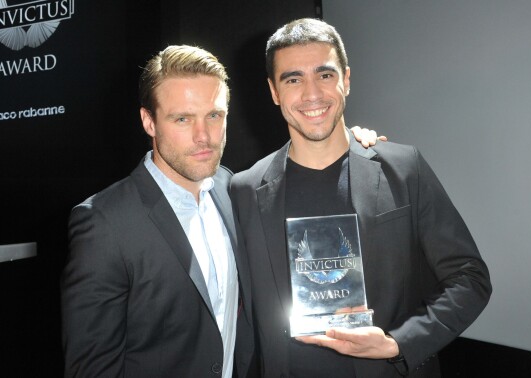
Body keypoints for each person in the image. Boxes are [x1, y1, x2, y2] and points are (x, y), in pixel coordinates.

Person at [60, 44, 381, 377]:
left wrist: (353, 143)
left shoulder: (234, 190)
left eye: (214, 115)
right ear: (149, 122)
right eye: (182, 119)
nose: (203, 137)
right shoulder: (104, 222)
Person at [229, 18, 492, 377]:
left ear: (346, 80)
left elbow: (469, 278)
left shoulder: (403, 168)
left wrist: (399, 343)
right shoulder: (244, 189)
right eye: (293, 79)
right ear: (274, 92)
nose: (312, 94)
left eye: (325, 75)